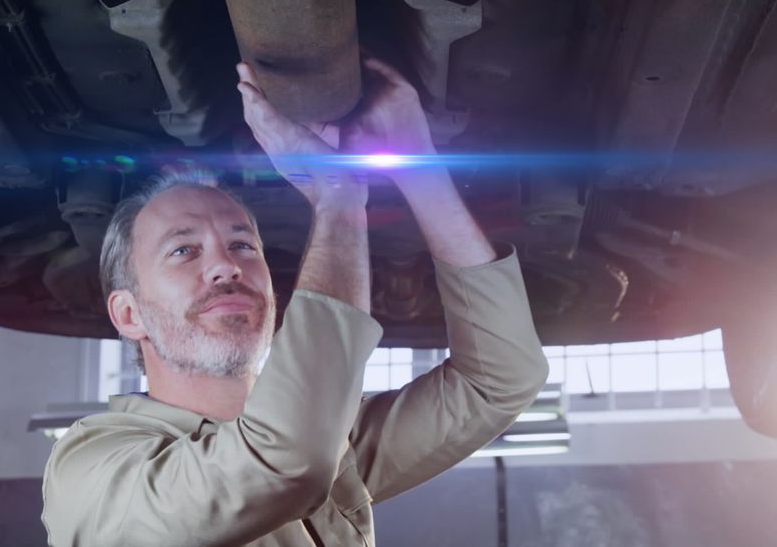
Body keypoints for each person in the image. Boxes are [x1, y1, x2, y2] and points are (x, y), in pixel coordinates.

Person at [40, 57, 549, 546]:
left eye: (242, 245)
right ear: (129, 315)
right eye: (183, 250)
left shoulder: (332, 438)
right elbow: (287, 457)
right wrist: (338, 193)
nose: (227, 265)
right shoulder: (92, 470)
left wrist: (416, 162)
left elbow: (498, 380)